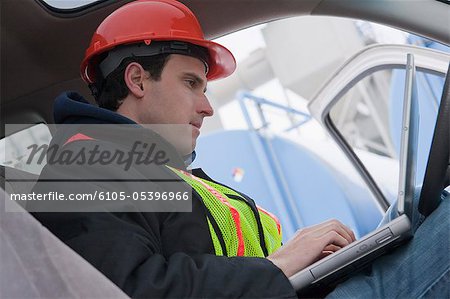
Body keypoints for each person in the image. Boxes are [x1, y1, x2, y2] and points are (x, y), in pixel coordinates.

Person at [31, 0, 449, 298]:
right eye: (191, 83)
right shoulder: (80, 167)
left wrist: (318, 264)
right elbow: (127, 288)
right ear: (138, 80)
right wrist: (281, 264)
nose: (207, 106)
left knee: (415, 212)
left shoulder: (174, 176)